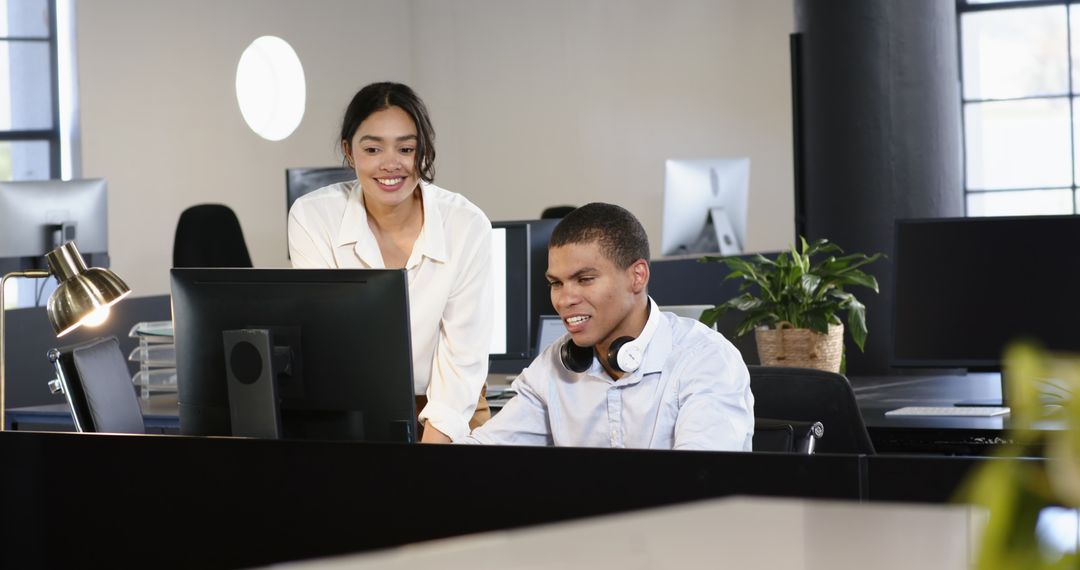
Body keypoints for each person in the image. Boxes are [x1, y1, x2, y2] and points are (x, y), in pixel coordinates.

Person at [288, 82, 492, 444]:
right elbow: (330, 342)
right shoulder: (313, 216)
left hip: (451, 406)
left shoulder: (466, 224)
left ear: (424, 152)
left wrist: (429, 456)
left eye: (406, 148)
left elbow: (463, 356)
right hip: (352, 405)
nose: (390, 164)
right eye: (372, 148)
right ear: (349, 152)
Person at [464, 203, 754, 450]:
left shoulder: (705, 359)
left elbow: (701, 486)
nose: (565, 299)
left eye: (585, 279)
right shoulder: (554, 366)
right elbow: (482, 454)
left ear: (637, 276)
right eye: (556, 283)